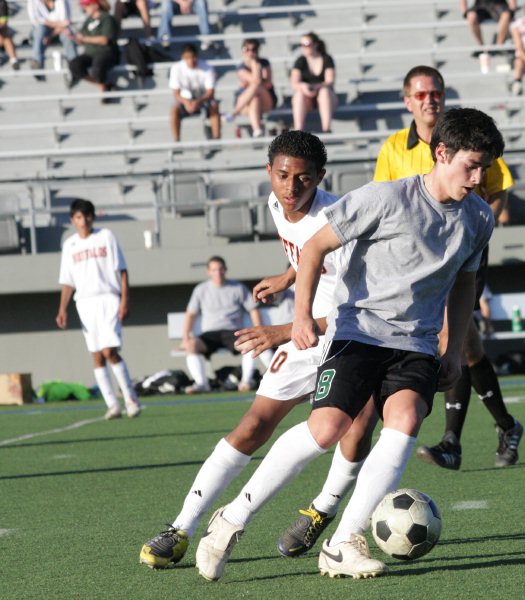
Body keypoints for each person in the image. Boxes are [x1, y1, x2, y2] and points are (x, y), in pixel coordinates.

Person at [191, 107, 500, 581]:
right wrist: (300, 319)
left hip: (415, 343)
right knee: (326, 430)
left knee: (406, 418)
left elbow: (465, 281)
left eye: (486, 168)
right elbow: (314, 248)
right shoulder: (386, 198)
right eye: (472, 165)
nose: (479, 178)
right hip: (358, 332)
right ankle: (231, 518)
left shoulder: (478, 218)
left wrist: (454, 347)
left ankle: (342, 542)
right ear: (442, 153)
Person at [139, 131, 370, 569]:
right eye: (282, 175)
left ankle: (323, 508)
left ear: (321, 177)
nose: (291, 187)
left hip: (348, 335)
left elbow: (359, 305)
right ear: (269, 172)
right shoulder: (275, 204)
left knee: (356, 427)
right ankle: (182, 526)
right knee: (253, 424)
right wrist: (287, 278)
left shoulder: (340, 220)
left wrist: (286, 328)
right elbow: (307, 254)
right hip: (302, 332)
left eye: (303, 179)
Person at [372, 65, 522, 471]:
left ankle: (451, 441)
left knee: (450, 336)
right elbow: (385, 203)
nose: (429, 99)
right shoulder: (392, 149)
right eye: (420, 94)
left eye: (435, 92)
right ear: (408, 101)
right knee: (466, 345)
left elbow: (497, 189)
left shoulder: (469, 137)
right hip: (417, 262)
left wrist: (474, 234)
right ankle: (507, 425)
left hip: (462, 253)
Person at [56, 199, 141, 420]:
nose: (83, 221)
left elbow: (122, 270)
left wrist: (124, 300)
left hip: (108, 298)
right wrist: (62, 309)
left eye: (86, 216)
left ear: (93, 217)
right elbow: (67, 281)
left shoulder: (106, 237)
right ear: (72, 220)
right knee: (97, 356)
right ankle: (112, 405)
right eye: (78, 217)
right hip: (84, 303)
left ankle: (131, 400)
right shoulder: (70, 245)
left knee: (109, 351)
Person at [181, 256, 266, 393]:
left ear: (225, 269)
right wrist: (185, 338)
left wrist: (259, 330)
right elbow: (190, 314)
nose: (218, 272)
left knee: (250, 344)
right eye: (214, 270)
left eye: (220, 269)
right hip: (209, 335)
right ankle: (202, 384)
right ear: (208, 271)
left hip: (232, 332)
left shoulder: (238, 288)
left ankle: (245, 382)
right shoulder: (200, 290)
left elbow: (253, 309)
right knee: (191, 345)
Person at [64, 0, 119, 99]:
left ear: (96, 5)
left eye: (87, 5)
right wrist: (73, 37)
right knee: (74, 65)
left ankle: (104, 90)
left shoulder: (106, 18)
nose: (85, 8)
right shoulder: (88, 20)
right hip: (90, 54)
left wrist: (84, 39)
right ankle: (104, 85)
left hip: (106, 52)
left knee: (97, 67)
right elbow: (81, 40)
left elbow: (104, 40)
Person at [224, 38, 276, 139]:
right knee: (254, 98)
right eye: (247, 49)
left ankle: (234, 113)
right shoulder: (241, 67)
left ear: (258, 51)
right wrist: (257, 72)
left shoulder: (264, 63)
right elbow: (259, 81)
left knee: (255, 87)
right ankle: (256, 129)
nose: (250, 52)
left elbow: (264, 83)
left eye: (253, 49)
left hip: (266, 100)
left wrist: (254, 65)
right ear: (242, 51)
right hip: (246, 104)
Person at [168, 43, 220, 142]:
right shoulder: (176, 68)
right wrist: (186, 102)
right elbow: (176, 93)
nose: (191, 60)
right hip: (184, 100)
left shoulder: (207, 68)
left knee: (214, 106)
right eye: (187, 57)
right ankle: (176, 140)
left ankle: (216, 139)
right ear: (183, 57)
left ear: (197, 56)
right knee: (174, 109)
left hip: (203, 100)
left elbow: (210, 93)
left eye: (193, 57)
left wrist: (198, 102)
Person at [289, 32, 337, 133]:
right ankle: (298, 131)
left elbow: (330, 81)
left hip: (326, 98)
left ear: (315, 44)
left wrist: (316, 87)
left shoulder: (326, 59)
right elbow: (294, 83)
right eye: (302, 45)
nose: (304, 48)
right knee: (299, 94)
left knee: (324, 91)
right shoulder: (300, 61)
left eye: (307, 44)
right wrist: (304, 86)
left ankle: (326, 129)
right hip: (307, 99)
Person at [460, 0, 516, 74]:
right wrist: (464, 11)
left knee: (506, 14)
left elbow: (512, 6)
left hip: (499, 4)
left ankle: (498, 46)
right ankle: (482, 48)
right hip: (481, 5)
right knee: (471, 16)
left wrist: (512, 8)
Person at [27, 0, 77, 71]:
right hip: (44, 32)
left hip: (59, 31)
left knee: (67, 33)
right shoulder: (33, 1)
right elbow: (36, 21)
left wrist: (50, 36)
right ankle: (37, 62)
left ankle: (74, 63)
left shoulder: (62, 1)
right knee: (40, 30)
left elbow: (65, 23)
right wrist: (58, 24)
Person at [0, 0, 20, 69]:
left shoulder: (2, 3)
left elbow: (3, 22)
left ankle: (14, 60)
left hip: (2, 32)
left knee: (5, 36)